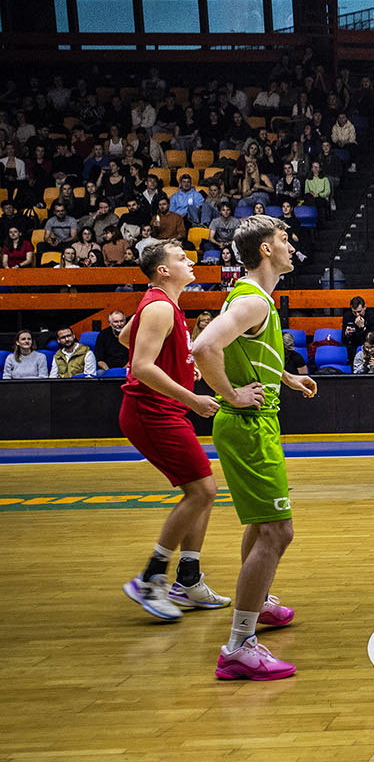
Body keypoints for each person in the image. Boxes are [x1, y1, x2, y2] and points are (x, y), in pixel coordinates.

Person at [190, 215, 317, 681]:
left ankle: (257, 604)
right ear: (265, 250)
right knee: (277, 533)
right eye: (284, 239)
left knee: (263, 525)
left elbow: (243, 350)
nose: (290, 245)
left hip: (250, 421)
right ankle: (239, 646)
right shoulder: (252, 302)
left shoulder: (253, 297)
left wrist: (284, 377)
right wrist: (232, 394)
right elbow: (203, 347)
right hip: (247, 422)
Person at [118, 240, 230, 621]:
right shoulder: (161, 306)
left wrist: (181, 364)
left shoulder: (159, 303)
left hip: (163, 409)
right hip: (151, 412)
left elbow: (124, 339)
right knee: (202, 491)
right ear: (163, 270)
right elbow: (142, 366)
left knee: (202, 492)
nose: (190, 260)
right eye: (182, 258)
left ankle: (188, 579)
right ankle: (151, 578)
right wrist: (192, 398)